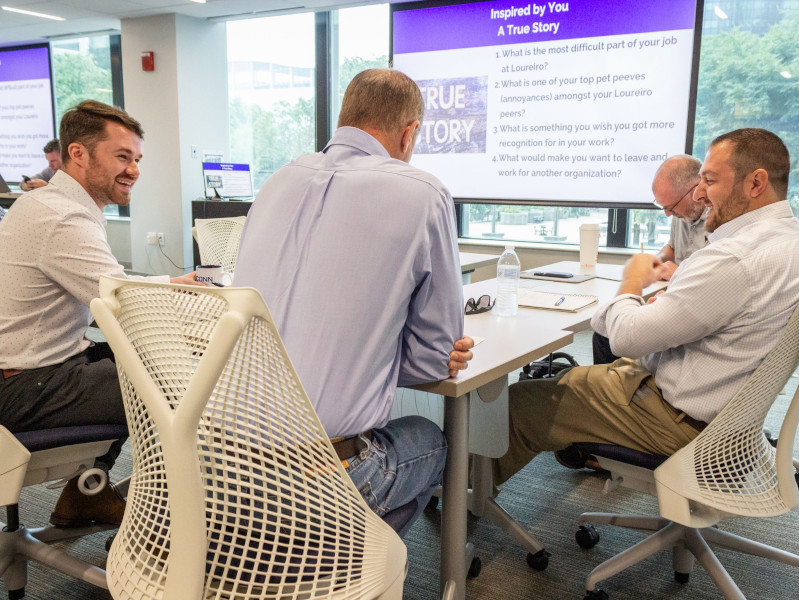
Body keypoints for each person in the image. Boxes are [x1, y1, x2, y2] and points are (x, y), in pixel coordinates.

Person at [234, 69, 474, 537]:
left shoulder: (276, 181)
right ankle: (355, 564)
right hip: (317, 478)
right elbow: (432, 361)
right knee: (430, 440)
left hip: (222, 466)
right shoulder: (423, 193)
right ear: (410, 133)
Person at [494, 128, 799, 487]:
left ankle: (462, 498)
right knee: (579, 376)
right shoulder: (788, 241)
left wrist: (632, 283)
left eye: (711, 181)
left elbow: (624, 337)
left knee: (522, 401)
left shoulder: (733, 259)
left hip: (681, 423)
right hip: (730, 420)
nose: (702, 194)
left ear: (756, 183)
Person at [0, 100, 197, 528]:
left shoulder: (52, 204)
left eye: (137, 159)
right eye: (122, 157)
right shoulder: (62, 215)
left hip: (33, 368)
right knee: (178, 388)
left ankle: (86, 493)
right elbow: (125, 303)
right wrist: (194, 295)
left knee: (140, 364)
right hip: (23, 386)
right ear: (79, 154)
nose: (134, 170)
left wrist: (175, 287)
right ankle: (165, 531)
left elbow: (106, 291)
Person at [592, 154, 708, 364]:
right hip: (673, 296)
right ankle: (615, 382)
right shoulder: (681, 212)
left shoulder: (719, 222)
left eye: (671, 207)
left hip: (693, 306)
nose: (667, 214)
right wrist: (655, 260)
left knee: (617, 333)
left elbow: (712, 279)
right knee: (605, 330)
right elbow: (672, 248)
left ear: (695, 191)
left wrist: (678, 273)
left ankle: (621, 386)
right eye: (663, 207)